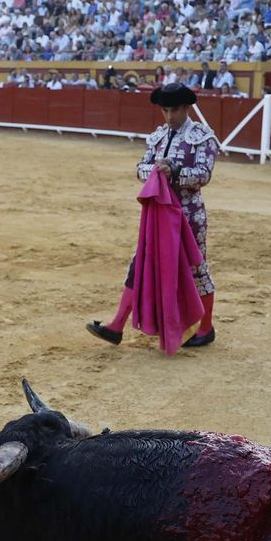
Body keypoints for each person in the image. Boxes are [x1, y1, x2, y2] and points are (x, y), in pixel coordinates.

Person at [87, 83, 219, 351]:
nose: (169, 116)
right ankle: (116, 326)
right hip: (158, 215)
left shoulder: (203, 136)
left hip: (188, 215)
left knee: (196, 269)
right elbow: (140, 168)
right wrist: (158, 171)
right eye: (165, 110)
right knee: (141, 264)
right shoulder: (157, 137)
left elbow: (204, 175)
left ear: (186, 108)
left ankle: (205, 328)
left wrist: (175, 171)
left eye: (174, 110)